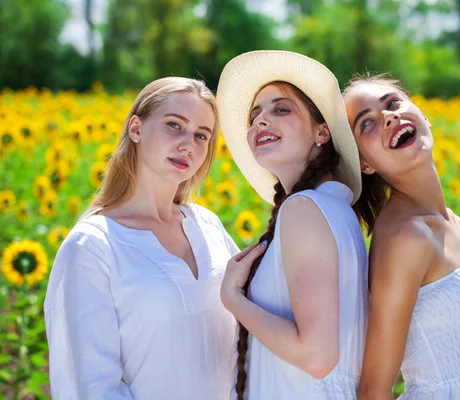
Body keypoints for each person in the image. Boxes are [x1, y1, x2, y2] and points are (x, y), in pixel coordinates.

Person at [44, 77, 238, 399]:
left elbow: (246, 341)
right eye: (174, 125)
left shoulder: (208, 226)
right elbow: (92, 386)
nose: (188, 145)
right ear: (135, 128)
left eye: (201, 135)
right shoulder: (92, 247)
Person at [342, 75, 460, 399]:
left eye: (393, 103)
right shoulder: (405, 237)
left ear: (423, 115)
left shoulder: (455, 224)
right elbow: (373, 390)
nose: (389, 117)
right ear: (364, 163)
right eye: (366, 123)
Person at [216, 50, 369, 400]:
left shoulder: (304, 209)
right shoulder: (334, 208)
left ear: (322, 133)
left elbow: (316, 356)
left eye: (281, 109)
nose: (260, 122)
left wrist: (234, 299)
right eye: (255, 115)